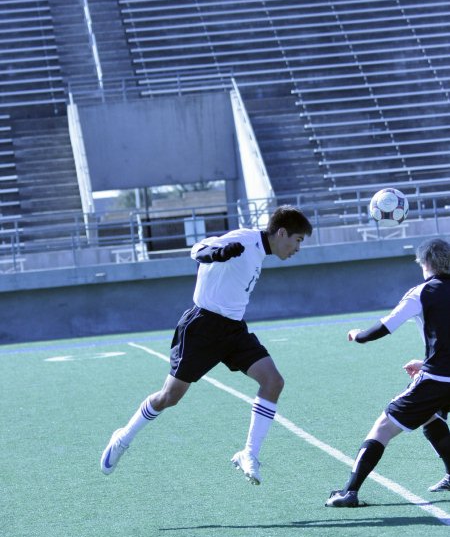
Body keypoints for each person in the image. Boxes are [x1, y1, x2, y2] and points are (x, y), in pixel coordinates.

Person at [101, 205, 313, 485]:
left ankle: (248, 453)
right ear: (282, 232)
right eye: (297, 240)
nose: (297, 248)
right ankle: (124, 437)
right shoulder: (245, 239)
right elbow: (198, 249)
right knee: (170, 397)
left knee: (273, 381)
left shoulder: (261, 251)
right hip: (202, 327)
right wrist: (217, 253)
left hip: (234, 330)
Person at [326, 237, 450, 507]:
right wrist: (428, 361)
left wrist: (358, 336)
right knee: (429, 417)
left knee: (382, 428)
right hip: (441, 374)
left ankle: (349, 492)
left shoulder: (422, 292)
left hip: (439, 380)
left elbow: (386, 325)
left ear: (425, 262)